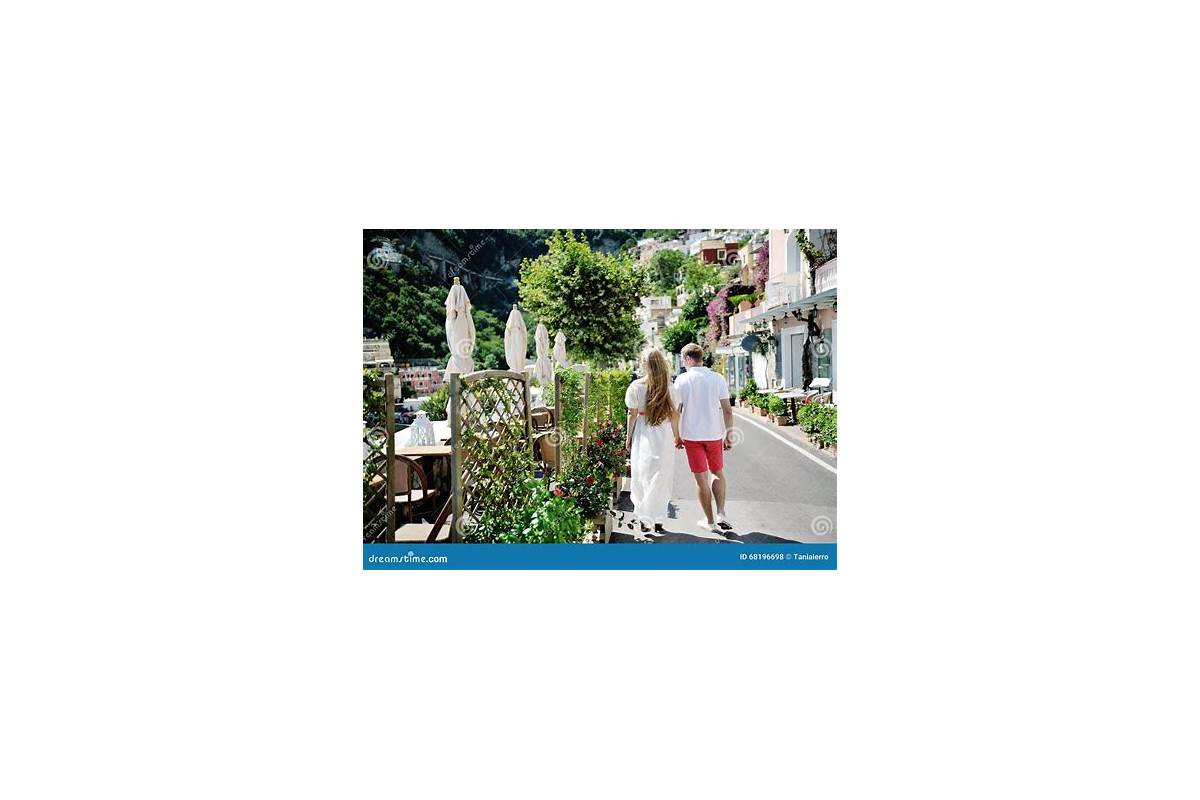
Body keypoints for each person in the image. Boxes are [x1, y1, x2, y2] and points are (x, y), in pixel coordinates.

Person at [674, 342, 735, 534]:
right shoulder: (717, 378)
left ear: (687, 359)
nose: (683, 364)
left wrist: (676, 436)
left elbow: (676, 412)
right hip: (714, 434)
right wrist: (729, 433)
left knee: (701, 479)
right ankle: (722, 513)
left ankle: (709, 522)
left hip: (691, 437)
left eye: (683, 360)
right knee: (717, 472)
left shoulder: (682, 380)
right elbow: (727, 410)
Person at [624, 348, 681, 538]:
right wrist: (677, 436)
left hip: (643, 433)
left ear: (644, 364)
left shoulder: (636, 387)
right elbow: (674, 415)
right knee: (661, 476)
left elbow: (632, 415)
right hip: (663, 435)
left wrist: (628, 438)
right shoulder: (670, 389)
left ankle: (644, 517)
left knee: (642, 475)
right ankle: (658, 518)